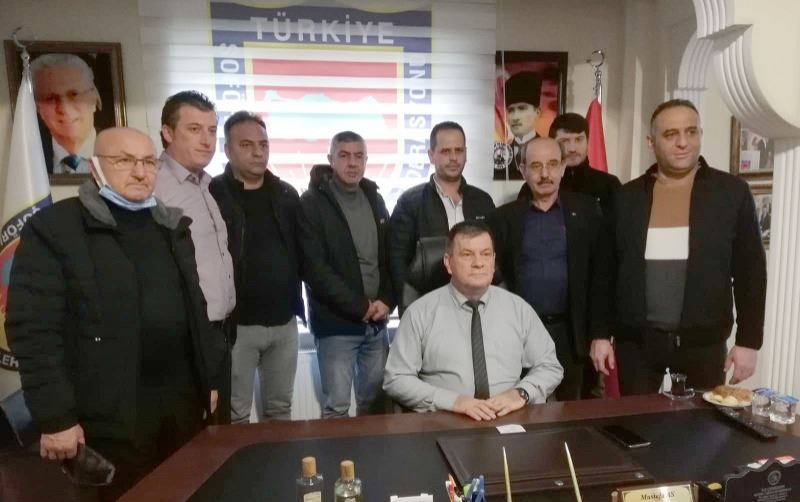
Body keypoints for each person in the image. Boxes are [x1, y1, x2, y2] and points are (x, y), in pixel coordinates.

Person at [5, 127, 225, 500]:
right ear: (95, 168)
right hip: (109, 419)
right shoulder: (56, 229)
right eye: (123, 161)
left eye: (148, 162)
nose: (140, 172)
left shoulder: (171, 225)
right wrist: (56, 418)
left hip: (180, 409)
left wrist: (209, 380)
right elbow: (34, 331)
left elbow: (195, 310)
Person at [614, 99, 767, 394]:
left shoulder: (731, 193)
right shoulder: (626, 197)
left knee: (702, 424)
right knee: (635, 422)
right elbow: (607, 270)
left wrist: (748, 342)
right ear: (651, 142)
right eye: (671, 134)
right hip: (637, 344)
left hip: (704, 344)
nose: (683, 142)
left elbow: (751, 273)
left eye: (691, 132)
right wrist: (600, 334)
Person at [383, 221, 563, 420]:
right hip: (445, 419)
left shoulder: (518, 309)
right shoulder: (419, 313)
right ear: (448, 263)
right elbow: (396, 379)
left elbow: (550, 366)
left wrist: (521, 393)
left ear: (493, 261)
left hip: (509, 418)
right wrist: (453, 401)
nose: (478, 263)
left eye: (486, 254)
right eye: (467, 254)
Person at [491, 138, 612, 400]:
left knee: (572, 412)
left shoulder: (588, 211)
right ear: (522, 169)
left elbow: (601, 278)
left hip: (571, 335)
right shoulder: (503, 218)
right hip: (519, 336)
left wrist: (600, 334)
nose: (545, 174)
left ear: (563, 167)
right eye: (536, 166)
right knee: (521, 410)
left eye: (552, 164)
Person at [209, 111, 304, 423]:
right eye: (247, 145)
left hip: (284, 322)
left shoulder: (286, 194)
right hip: (237, 327)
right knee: (235, 414)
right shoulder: (213, 194)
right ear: (228, 150)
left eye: (263, 144)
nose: (258, 152)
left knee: (280, 410)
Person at [297, 131, 395, 418]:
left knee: (374, 407)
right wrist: (360, 306)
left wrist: (387, 300)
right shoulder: (312, 203)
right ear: (331, 159)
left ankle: (371, 452)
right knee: (337, 408)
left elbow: (389, 257)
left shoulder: (375, 198)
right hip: (336, 327)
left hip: (377, 325)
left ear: (366, 160)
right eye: (344, 155)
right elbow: (315, 270)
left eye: (358, 156)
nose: (352, 163)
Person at [155, 90, 236, 423]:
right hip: (184, 337)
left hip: (219, 332)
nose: (206, 140)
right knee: (192, 437)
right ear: (168, 132)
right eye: (194, 129)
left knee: (219, 433)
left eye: (212, 130)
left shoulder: (205, 185)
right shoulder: (154, 185)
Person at [389, 121, 494, 310]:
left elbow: (494, 258)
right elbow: (397, 263)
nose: (453, 158)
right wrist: (411, 310)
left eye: (459, 151)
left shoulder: (483, 201)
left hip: (477, 306)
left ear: (466, 153)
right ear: (431, 155)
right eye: (446, 151)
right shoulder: (410, 202)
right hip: (429, 307)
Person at [31, 53, 101, 174]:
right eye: (51, 98)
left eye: (74, 94)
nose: (64, 108)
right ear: (38, 108)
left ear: (93, 100)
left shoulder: (122, 152)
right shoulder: (27, 161)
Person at [549, 113, 621, 220]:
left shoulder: (609, 185)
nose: (572, 149)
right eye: (564, 141)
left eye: (578, 139)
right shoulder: (541, 185)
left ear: (588, 140)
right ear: (552, 143)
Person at [502, 71, 542, 180]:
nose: (515, 117)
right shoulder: (502, 154)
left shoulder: (548, 150)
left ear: (537, 112)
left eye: (522, 108)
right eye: (511, 110)